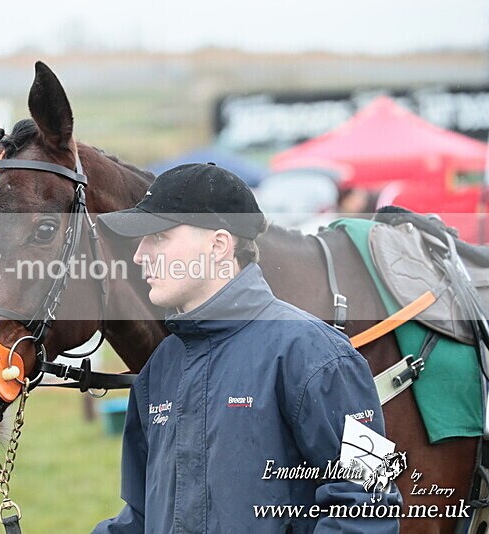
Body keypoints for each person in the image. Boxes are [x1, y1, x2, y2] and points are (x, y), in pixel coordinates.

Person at [93, 163, 401, 533]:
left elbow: (370, 502)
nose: (139, 255)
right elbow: (141, 517)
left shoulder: (321, 355)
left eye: (158, 237)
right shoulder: (160, 367)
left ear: (219, 245)